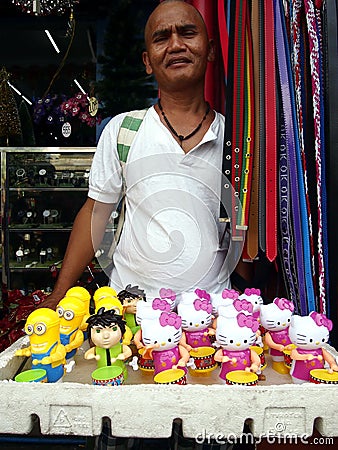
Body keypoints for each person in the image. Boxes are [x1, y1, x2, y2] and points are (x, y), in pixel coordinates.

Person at [42, 0, 236, 323]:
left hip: (212, 318)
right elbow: (95, 213)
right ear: (148, 61)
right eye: (162, 38)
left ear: (210, 50)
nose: (175, 44)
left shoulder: (234, 138)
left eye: (187, 33)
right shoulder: (123, 132)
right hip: (130, 316)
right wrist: (58, 294)